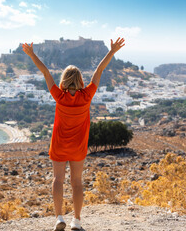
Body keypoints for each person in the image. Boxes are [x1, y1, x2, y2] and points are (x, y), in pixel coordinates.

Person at [23, 37, 125, 231]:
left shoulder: (59, 96)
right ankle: (76, 221)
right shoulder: (87, 95)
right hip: (78, 147)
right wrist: (112, 52)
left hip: (59, 145)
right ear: (79, 80)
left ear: (64, 80)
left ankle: (59, 217)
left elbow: (45, 71)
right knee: (76, 182)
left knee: (57, 180)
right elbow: (99, 71)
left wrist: (32, 54)